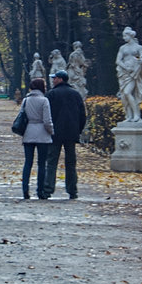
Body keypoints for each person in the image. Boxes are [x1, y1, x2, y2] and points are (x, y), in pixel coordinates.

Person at [43, 70, 87, 199]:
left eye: (55, 78)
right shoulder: (76, 94)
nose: (53, 80)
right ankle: (72, 190)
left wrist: (49, 130)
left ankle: (48, 189)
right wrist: (78, 130)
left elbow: (47, 114)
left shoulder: (51, 94)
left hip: (55, 133)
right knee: (71, 163)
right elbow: (82, 115)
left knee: (51, 162)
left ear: (61, 79)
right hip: (71, 134)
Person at [19, 78, 54, 199]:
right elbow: (47, 120)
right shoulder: (44, 100)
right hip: (43, 135)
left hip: (28, 133)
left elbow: (22, 116)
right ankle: (40, 190)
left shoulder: (26, 100)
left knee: (28, 163)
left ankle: (25, 189)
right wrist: (51, 132)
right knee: (41, 164)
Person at [115, 27, 142, 123]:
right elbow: (118, 60)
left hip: (134, 73)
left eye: (125, 35)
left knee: (127, 92)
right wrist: (126, 68)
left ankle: (136, 114)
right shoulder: (122, 48)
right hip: (124, 73)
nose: (124, 38)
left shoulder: (139, 47)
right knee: (124, 96)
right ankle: (129, 116)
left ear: (130, 35)